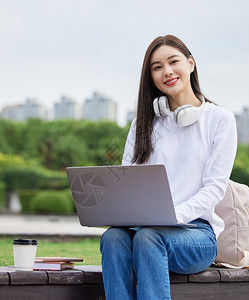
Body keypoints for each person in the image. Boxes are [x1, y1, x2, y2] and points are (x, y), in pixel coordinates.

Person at [100, 35, 238, 300]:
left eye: (173, 62)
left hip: (196, 234)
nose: (167, 71)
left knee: (149, 238)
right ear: (151, 76)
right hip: (145, 229)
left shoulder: (220, 120)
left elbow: (215, 187)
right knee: (113, 238)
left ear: (190, 64)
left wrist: (173, 215)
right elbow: (128, 180)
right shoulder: (144, 123)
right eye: (157, 67)